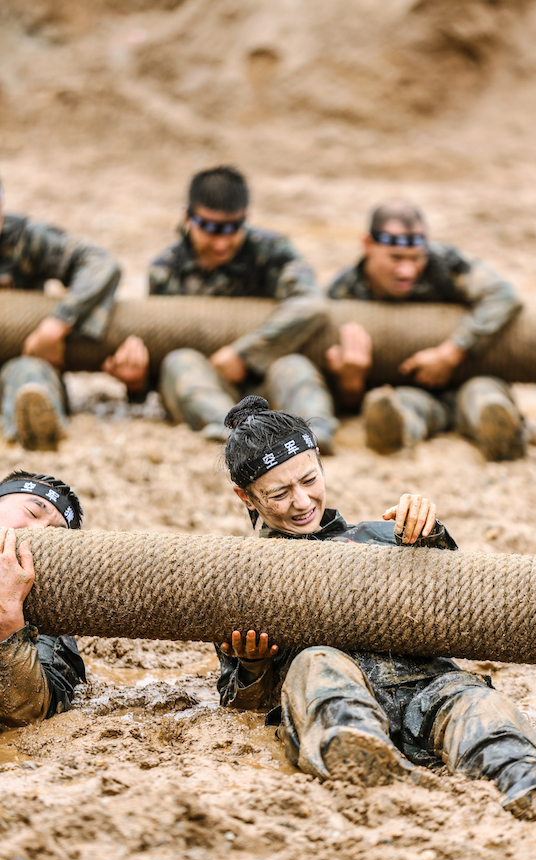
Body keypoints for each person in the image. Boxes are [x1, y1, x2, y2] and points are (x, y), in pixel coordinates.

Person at [216, 396, 536, 823]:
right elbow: (238, 705)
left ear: (320, 462)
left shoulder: (380, 536)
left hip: (428, 686)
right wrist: (252, 667)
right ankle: (362, 757)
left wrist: (429, 535)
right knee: (316, 662)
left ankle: (526, 780)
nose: (303, 501)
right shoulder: (244, 579)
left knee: (477, 706)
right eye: (279, 493)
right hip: (341, 697)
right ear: (245, 497)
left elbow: (460, 596)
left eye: (309, 479)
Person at [146, 166, 338, 451]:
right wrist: (136, 381)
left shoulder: (273, 251)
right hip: (210, 383)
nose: (222, 241)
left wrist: (245, 355)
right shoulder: (165, 269)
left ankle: (314, 435)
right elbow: (160, 343)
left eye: (232, 228)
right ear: (188, 216)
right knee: (179, 362)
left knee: (294, 367)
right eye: (210, 228)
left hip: (268, 382)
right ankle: (237, 438)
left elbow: (311, 304)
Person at [326, 202, 526, 461]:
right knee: (397, 408)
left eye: (416, 258)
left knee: (484, 397)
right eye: (395, 258)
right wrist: (351, 382)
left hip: (465, 377)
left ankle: (502, 435)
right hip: (405, 389)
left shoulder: (444, 264)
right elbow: (342, 399)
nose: (407, 270)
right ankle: (397, 433)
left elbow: (503, 294)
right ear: (368, 245)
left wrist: (451, 352)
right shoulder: (342, 292)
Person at [0, 176, 143, 449]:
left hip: (20, 359)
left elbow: (99, 263)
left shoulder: (21, 238)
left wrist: (56, 324)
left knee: (30, 375)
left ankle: (38, 431)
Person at [0, 470, 86, 729]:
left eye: (56, 533)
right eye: (33, 512)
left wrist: (8, 616)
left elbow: (26, 712)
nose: (39, 532)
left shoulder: (49, 628)